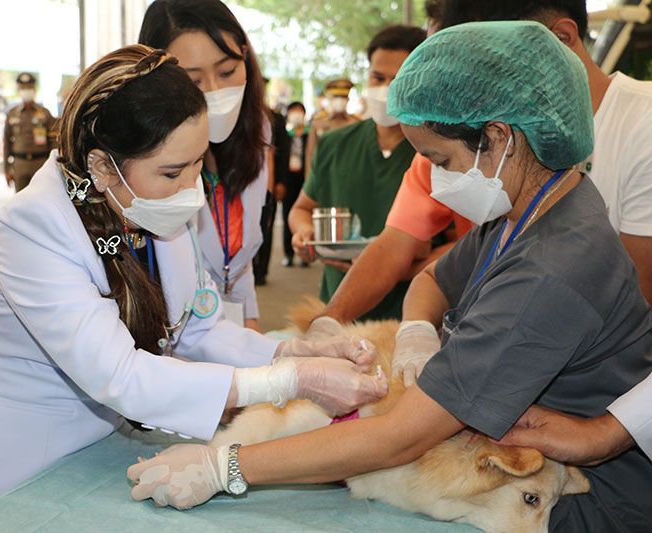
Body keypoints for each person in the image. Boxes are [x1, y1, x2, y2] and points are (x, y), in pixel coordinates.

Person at [127, 23, 652, 531]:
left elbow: (398, 439)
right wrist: (416, 332)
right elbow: (430, 281)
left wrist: (228, 467)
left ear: (499, 137)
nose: (436, 178)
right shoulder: (539, 208)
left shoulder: (547, 271)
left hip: (568, 500)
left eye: (440, 159)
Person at [0, 45, 387, 531]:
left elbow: (197, 329)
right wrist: (290, 382)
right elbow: (119, 374)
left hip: (91, 451)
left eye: (199, 162)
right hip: (1, 467)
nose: (191, 188)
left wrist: (292, 353)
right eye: (173, 172)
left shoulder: (147, 205)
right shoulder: (33, 228)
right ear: (102, 167)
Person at [435, 0, 652, 469]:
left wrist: (616, 428)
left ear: (561, 40)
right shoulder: (520, 174)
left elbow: (637, 297)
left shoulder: (642, 127)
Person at [139, 0, 273, 331]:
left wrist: (254, 336)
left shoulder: (257, 133)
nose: (215, 92)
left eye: (227, 71)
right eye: (192, 80)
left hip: (230, 330)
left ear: (245, 57)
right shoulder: (141, 157)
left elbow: (239, 264)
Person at [288, 25, 426, 321]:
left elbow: (462, 245)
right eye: (378, 78)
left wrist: (402, 269)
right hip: (338, 311)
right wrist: (304, 233)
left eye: (398, 79)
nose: (386, 88)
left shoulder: (433, 151)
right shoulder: (337, 143)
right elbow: (302, 208)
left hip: (407, 317)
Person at [252, 78, 290, 286]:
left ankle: (261, 271)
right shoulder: (243, 117)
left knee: (266, 227)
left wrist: (281, 182)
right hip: (246, 184)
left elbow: (282, 154)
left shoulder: (275, 119)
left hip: (270, 182)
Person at [2, 72, 56, 192]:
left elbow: (53, 143)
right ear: (19, 90)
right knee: (20, 202)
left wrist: (54, 168)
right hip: (19, 165)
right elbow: (6, 143)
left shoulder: (44, 113)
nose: (26, 91)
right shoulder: (12, 114)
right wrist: (7, 169)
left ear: (34, 89)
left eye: (29, 88)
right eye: (23, 88)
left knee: (41, 200)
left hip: (41, 164)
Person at [304, 78, 359, 177]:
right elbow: (310, 155)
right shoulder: (318, 123)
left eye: (343, 96)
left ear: (348, 99)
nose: (339, 100)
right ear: (329, 98)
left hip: (350, 176)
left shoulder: (356, 123)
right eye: (336, 96)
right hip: (323, 177)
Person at [280, 101, 310, 267]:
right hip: (288, 180)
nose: (297, 114)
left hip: (304, 179)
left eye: (299, 111)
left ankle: (305, 253)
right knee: (287, 215)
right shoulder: (285, 135)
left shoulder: (309, 134)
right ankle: (288, 254)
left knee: (305, 216)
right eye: (293, 111)